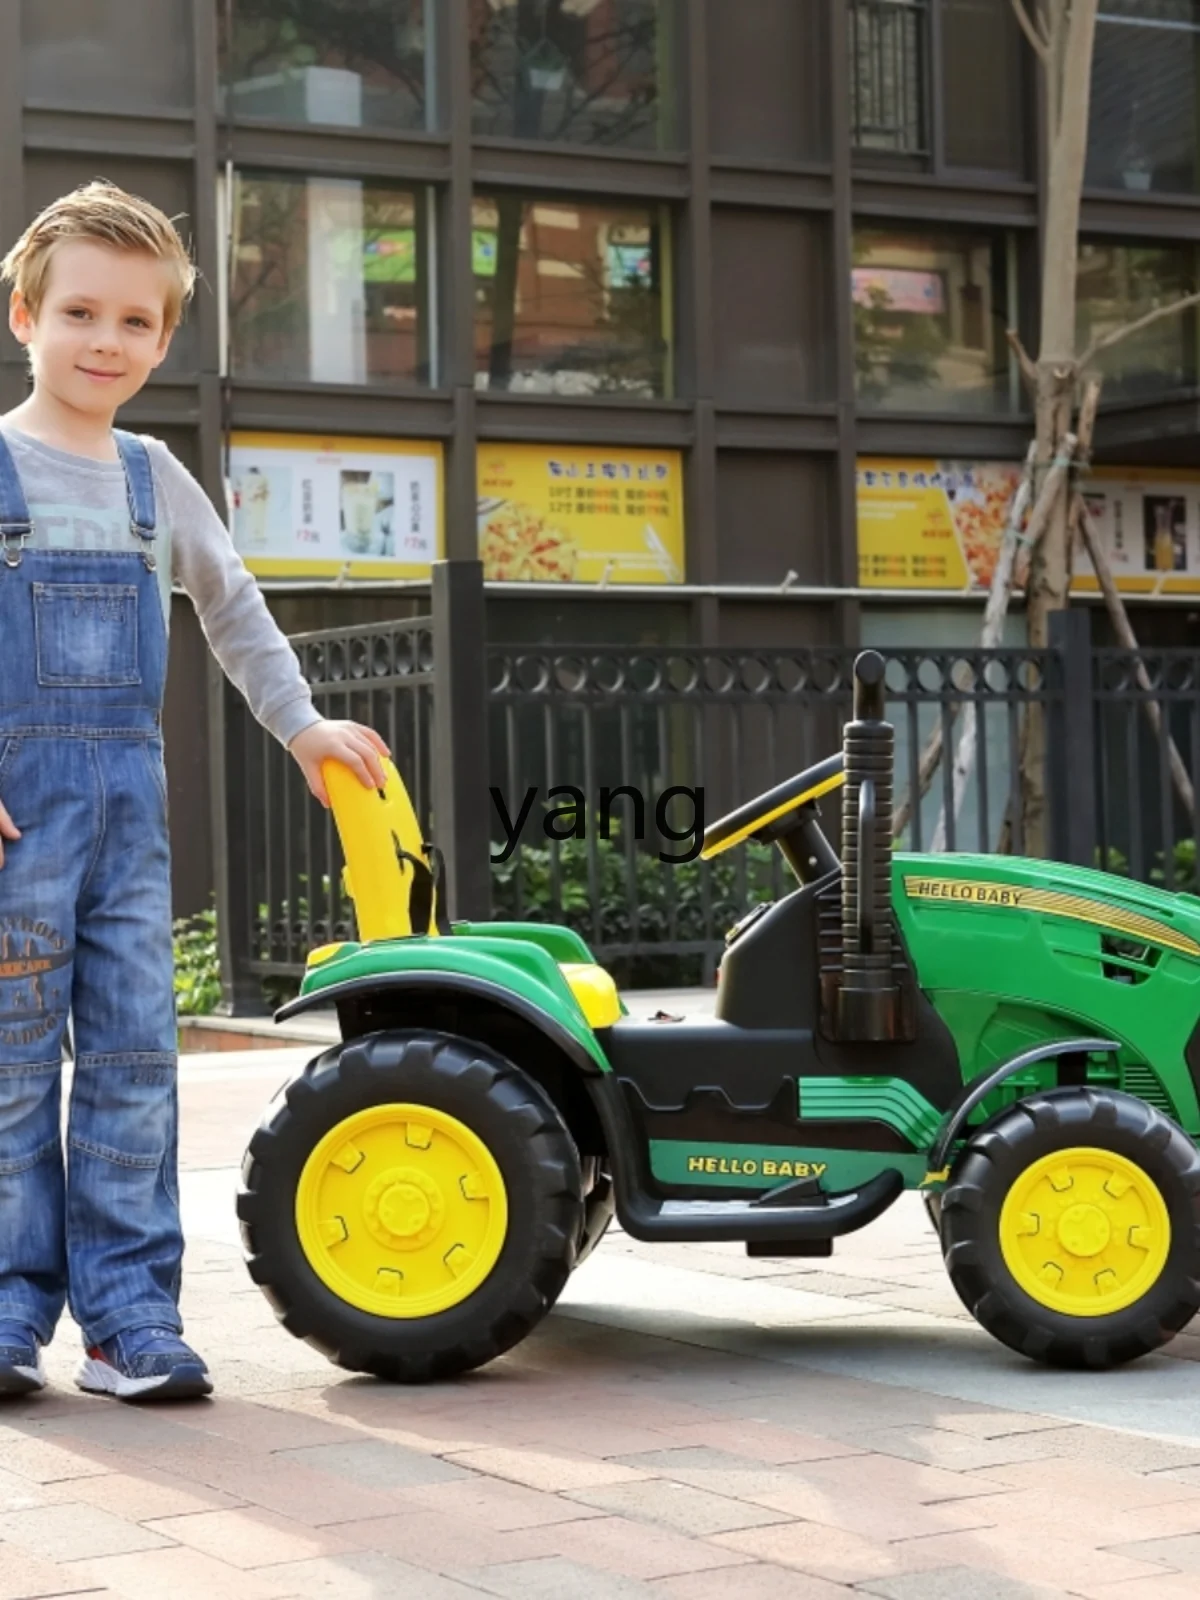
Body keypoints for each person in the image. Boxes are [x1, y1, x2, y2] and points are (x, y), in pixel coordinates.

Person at [0, 181, 389, 1403]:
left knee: (131, 1060)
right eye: (78, 313)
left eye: (132, 322)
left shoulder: (152, 477)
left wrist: (302, 725)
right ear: (24, 313)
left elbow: (236, 614)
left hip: (129, 827)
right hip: (14, 828)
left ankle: (129, 1318)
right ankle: (7, 1311)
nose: (103, 342)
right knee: (9, 1067)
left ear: (164, 340)